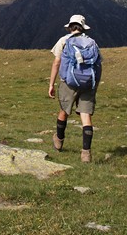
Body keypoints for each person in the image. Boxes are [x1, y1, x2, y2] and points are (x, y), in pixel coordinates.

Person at [48, 14, 101, 163]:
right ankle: (86, 153)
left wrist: (51, 84)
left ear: (70, 27)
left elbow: (56, 63)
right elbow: (98, 65)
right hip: (88, 84)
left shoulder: (64, 41)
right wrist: (94, 85)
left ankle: (59, 139)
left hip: (69, 82)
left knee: (64, 111)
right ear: (83, 28)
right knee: (86, 117)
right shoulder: (92, 43)